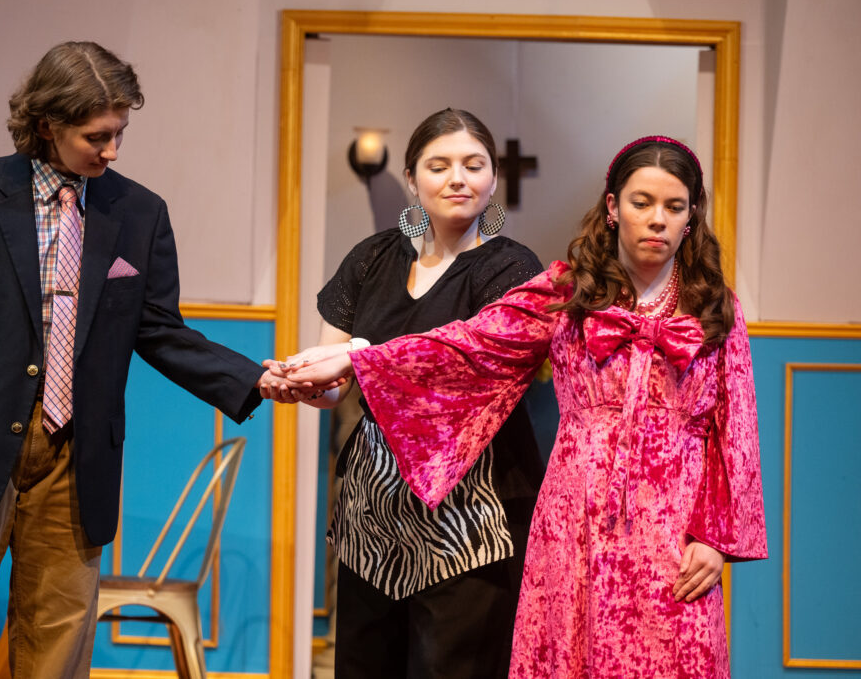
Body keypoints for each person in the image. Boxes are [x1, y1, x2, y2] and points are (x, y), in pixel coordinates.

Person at [0, 41, 300, 678]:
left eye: (120, 133)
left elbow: (159, 330)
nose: (112, 151)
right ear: (47, 123)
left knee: (59, 643)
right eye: (96, 136)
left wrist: (256, 377)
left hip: (76, 457)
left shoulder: (140, 212)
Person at [278, 136, 767, 679]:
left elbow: (737, 433)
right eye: (641, 202)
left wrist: (715, 539)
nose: (657, 219)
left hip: (675, 531)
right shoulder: (566, 291)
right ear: (613, 207)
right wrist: (354, 361)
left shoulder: (716, 307)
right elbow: (467, 345)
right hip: (574, 519)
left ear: (691, 215)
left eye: (674, 207)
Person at [272, 108, 546, 679]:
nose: (458, 179)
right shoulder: (372, 257)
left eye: (474, 165)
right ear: (411, 179)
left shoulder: (513, 268)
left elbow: (459, 370)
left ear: (493, 177)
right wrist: (303, 380)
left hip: (472, 513)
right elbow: (336, 382)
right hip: (374, 508)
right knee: (363, 666)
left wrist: (359, 360)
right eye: (439, 166)